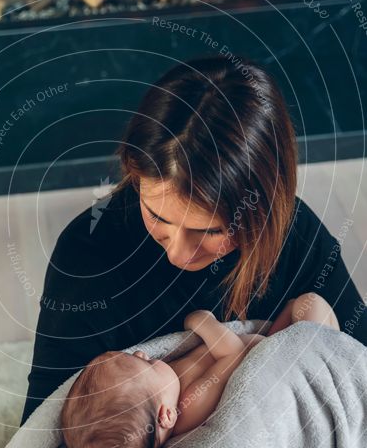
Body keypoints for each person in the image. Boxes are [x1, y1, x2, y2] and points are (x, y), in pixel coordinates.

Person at [20, 54, 367, 426]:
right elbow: (44, 425)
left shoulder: (296, 238)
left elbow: (357, 371)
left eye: (210, 231)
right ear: (134, 174)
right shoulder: (87, 257)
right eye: (157, 216)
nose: (177, 252)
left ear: (262, 210)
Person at [60, 293, 339, 448]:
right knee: (311, 305)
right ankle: (339, 366)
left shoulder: (166, 388)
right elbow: (234, 354)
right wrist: (202, 321)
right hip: (285, 365)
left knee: (296, 306)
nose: (143, 354)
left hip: (270, 343)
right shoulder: (189, 405)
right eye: (143, 364)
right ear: (165, 416)